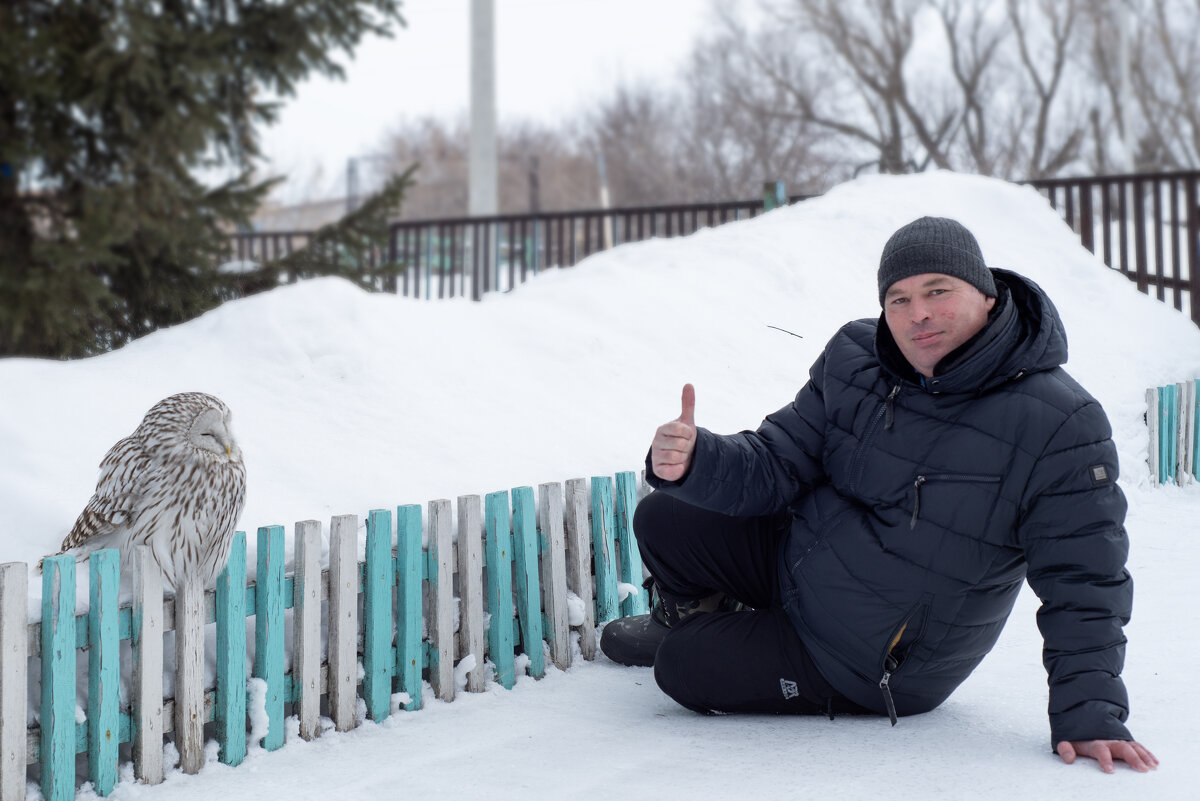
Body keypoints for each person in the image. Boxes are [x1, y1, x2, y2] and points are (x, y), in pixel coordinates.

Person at [600, 216, 1158, 774]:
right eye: (899, 298)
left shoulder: (1060, 423)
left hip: (869, 659)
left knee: (683, 667)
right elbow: (777, 459)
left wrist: (1090, 712)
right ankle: (693, 611)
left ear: (986, 295)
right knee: (666, 513)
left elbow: (1085, 583)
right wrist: (698, 460)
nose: (918, 314)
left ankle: (712, 634)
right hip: (802, 561)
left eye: (938, 291)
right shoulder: (857, 360)